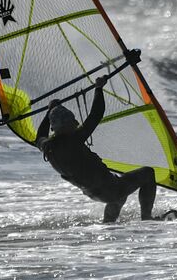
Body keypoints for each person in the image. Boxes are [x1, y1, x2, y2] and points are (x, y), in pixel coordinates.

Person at [35, 62, 158, 223]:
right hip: (108, 188)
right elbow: (96, 114)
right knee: (147, 173)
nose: (77, 123)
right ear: (65, 126)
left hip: (92, 191)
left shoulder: (48, 147)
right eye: (73, 121)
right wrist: (99, 89)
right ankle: (147, 218)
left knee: (118, 193)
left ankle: (109, 223)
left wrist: (49, 111)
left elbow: (39, 136)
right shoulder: (73, 139)